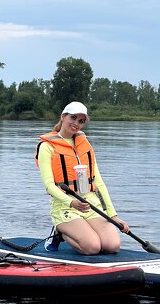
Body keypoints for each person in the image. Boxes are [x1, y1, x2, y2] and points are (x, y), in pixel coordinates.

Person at [35, 102, 130, 255]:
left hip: (90, 204)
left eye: (81, 121)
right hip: (65, 206)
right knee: (92, 247)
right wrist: (71, 202)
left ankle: (83, 228)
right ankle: (59, 233)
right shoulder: (47, 147)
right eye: (73, 118)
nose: (76, 124)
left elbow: (98, 182)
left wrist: (113, 215)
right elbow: (49, 186)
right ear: (63, 116)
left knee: (112, 246)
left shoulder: (84, 145)